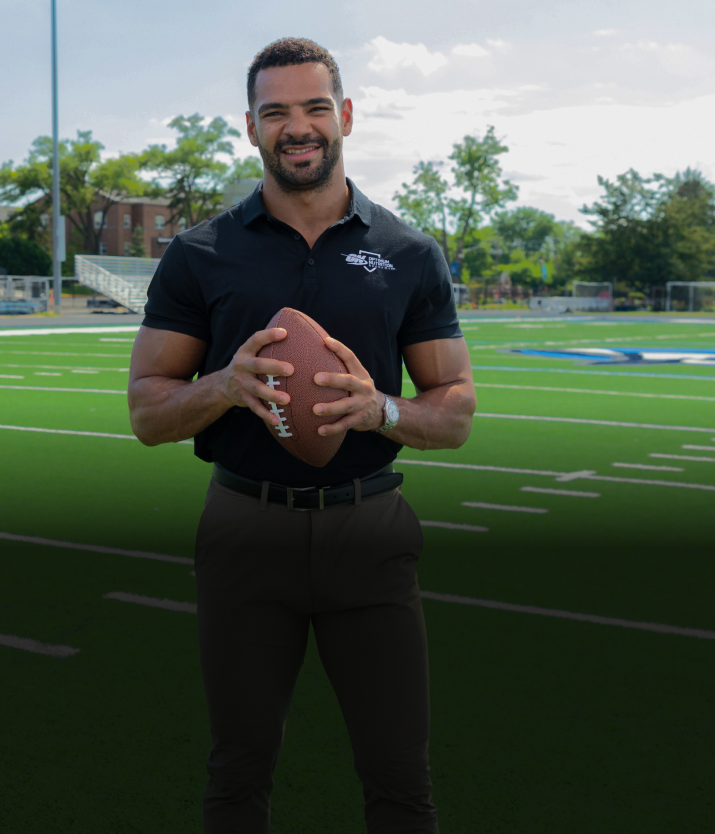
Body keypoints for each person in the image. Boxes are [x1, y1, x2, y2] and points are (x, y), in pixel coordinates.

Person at [127, 37, 476, 833]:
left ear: (345, 115)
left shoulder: (407, 252)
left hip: (369, 527)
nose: (298, 127)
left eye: (315, 107)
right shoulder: (200, 253)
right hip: (245, 528)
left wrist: (383, 410)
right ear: (251, 126)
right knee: (238, 770)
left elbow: (455, 407)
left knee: (400, 775)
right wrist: (224, 385)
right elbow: (147, 411)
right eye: (276, 111)